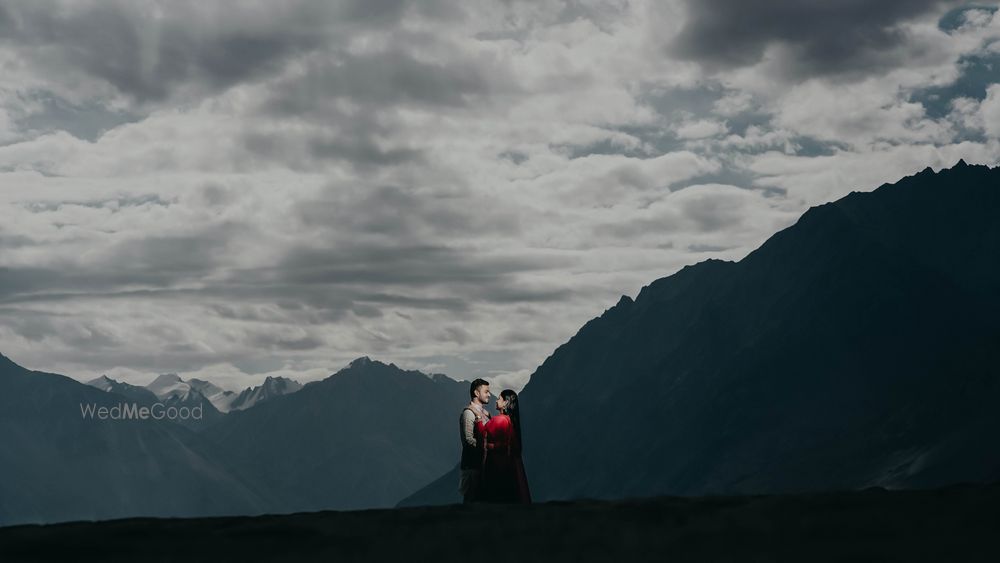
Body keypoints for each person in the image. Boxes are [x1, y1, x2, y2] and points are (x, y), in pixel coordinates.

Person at [477, 389, 531, 504]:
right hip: (507, 465)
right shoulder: (509, 420)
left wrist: (478, 420)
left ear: (506, 403)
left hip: (496, 465)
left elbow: (482, 433)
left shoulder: (499, 420)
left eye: (499, 399)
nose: (496, 401)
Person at [459, 378, 491, 503]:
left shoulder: (486, 414)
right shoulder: (468, 413)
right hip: (471, 465)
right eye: (486, 391)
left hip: (483, 465)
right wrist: (486, 447)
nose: (489, 394)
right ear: (477, 393)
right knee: (471, 500)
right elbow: (468, 439)